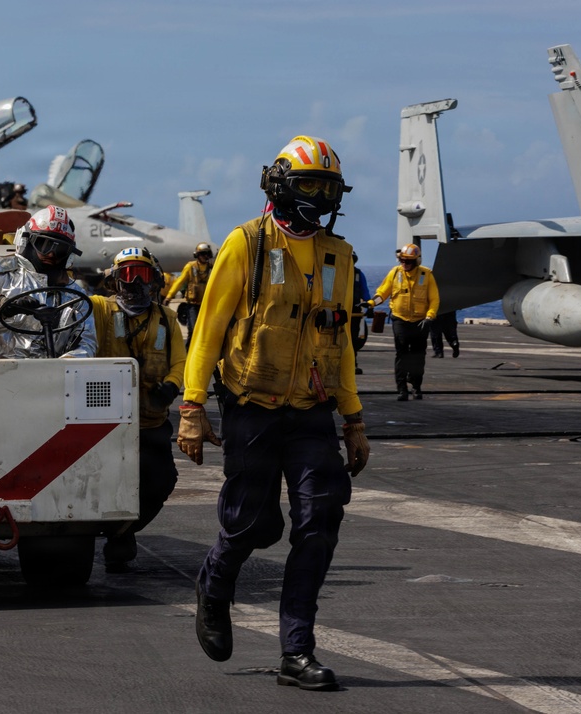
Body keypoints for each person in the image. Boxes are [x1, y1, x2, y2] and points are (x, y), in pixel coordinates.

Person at [178, 136, 370, 691]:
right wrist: (192, 408)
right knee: (249, 527)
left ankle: (296, 652)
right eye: (310, 185)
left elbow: (342, 346)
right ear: (282, 186)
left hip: (312, 414)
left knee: (319, 522)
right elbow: (208, 332)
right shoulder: (247, 245)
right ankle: (214, 586)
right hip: (252, 409)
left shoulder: (340, 254)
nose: (319, 197)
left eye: (328, 188)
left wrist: (353, 420)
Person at [89, 247, 185, 573]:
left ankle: (124, 532)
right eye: (126, 275)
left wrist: (171, 386)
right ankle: (91, 532)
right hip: (103, 422)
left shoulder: (167, 319)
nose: (134, 283)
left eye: (142, 275)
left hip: (150, 421)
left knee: (161, 480)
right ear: (114, 280)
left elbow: (180, 362)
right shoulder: (98, 309)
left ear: (154, 280)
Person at [0, 205, 96, 358]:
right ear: (26, 240)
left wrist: (61, 366)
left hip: (44, 377)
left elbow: (87, 344)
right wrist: (1, 306)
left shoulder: (76, 296)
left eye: (60, 249)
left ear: (69, 254)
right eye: (44, 245)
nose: (52, 254)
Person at [367, 243, 440, 400]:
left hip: (421, 321)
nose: (404, 264)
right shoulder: (395, 273)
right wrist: (370, 303)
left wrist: (429, 316)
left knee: (418, 356)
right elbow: (382, 293)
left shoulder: (426, 275)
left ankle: (416, 386)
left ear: (416, 261)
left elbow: (434, 299)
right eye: (402, 260)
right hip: (400, 320)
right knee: (402, 354)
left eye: (408, 261)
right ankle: (402, 389)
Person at [164, 242, 214, 349]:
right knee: (193, 329)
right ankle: (188, 354)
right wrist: (169, 296)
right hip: (193, 305)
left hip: (207, 305)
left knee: (208, 331)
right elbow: (179, 282)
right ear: (197, 255)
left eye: (207, 254)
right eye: (203, 254)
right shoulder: (191, 267)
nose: (205, 256)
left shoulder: (212, 268)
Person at [350, 252, 370, 374]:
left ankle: (353, 363)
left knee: (353, 338)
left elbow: (365, 291)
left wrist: (370, 305)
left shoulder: (358, 274)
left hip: (354, 312)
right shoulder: (337, 272)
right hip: (340, 310)